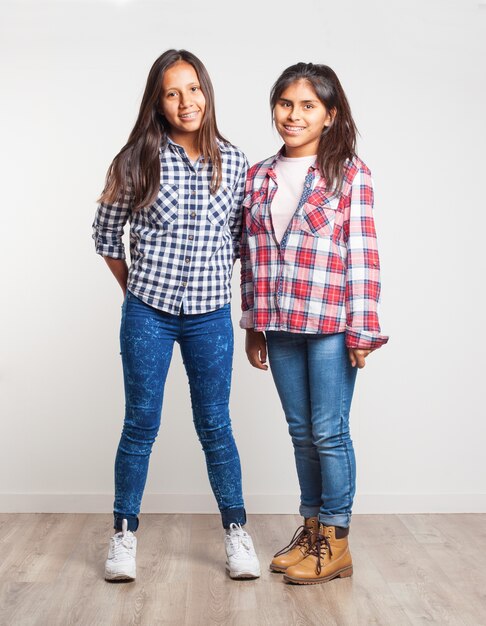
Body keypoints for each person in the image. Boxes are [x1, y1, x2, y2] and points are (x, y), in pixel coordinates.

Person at [92, 49, 260, 582]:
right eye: (172, 92)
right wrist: (135, 291)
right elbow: (105, 234)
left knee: (215, 424)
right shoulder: (135, 159)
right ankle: (123, 536)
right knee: (140, 425)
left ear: (206, 92)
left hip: (210, 315)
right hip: (149, 313)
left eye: (194, 89)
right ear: (158, 103)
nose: (186, 101)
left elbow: (240, 242)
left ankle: (236, 533)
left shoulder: (235, 163)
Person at [240, 62, 388, 585]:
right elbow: (250, 255)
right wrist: (252, 324)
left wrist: (362, 330)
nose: (293, 114)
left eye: (307, 105)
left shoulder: (349, 172)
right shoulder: (257, 175)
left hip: (331, 324)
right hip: (278, 324)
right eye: (285, 103)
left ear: (329, 115)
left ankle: (336, 539)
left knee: (329, 432)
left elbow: (363, 254)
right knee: (301, 432)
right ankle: (311, 530)